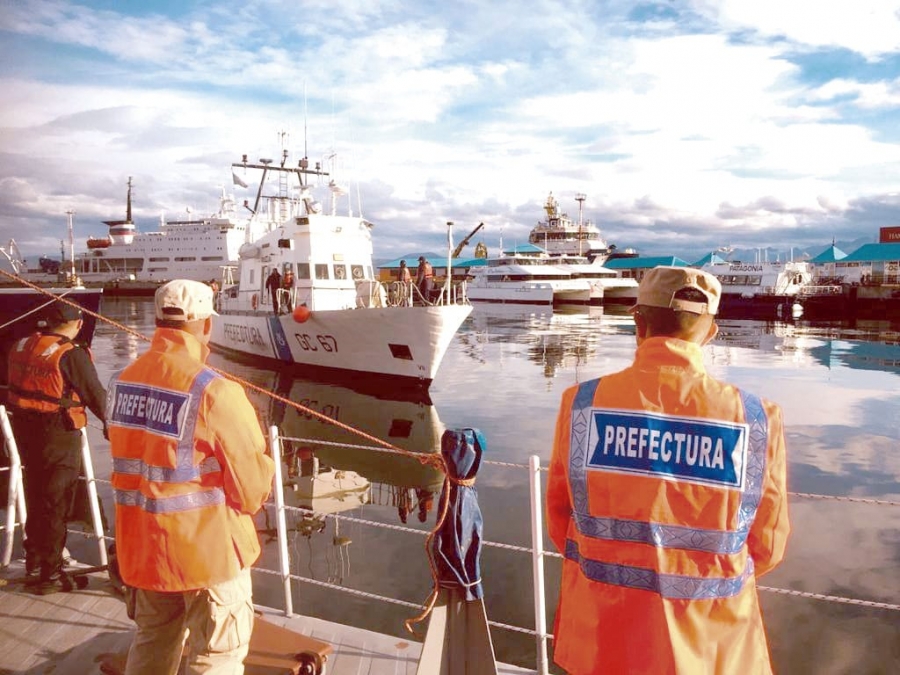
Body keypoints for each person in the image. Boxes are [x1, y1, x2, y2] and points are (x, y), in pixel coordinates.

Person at [546, 266, 790, 675]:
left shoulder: (582, 403)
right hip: (714, 647)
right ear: (710, 332)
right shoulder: (756, 418)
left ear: (637, 320)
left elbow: (559, 520)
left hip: (603, 640)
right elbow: (768, 545)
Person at [106, 279, 275, 675]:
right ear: (205, 325)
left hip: (146, 548)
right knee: (215, 657)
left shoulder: (121, 382)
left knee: (152, 642)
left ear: (157, 319)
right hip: (207, 555)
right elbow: (252, 492)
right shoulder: (215, 392)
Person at [6, 301, 106, 594]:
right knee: (56, 500)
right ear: (77, 325)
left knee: (36, 494)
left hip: (25, 430)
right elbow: (96, 396)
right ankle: (50, 573)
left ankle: (35, 561)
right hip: (59, 433)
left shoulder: (21, 345)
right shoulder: (70, 354)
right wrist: (114, 427)